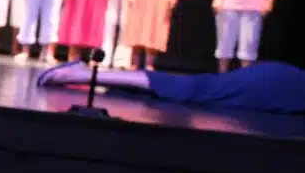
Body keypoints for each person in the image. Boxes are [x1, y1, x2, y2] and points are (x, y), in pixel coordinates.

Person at [37, 60, 305, 114]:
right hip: (276, 87)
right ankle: (84, 74)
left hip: (277, 85)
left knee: (193, 89)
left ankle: (88, 76)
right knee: (193, 90)